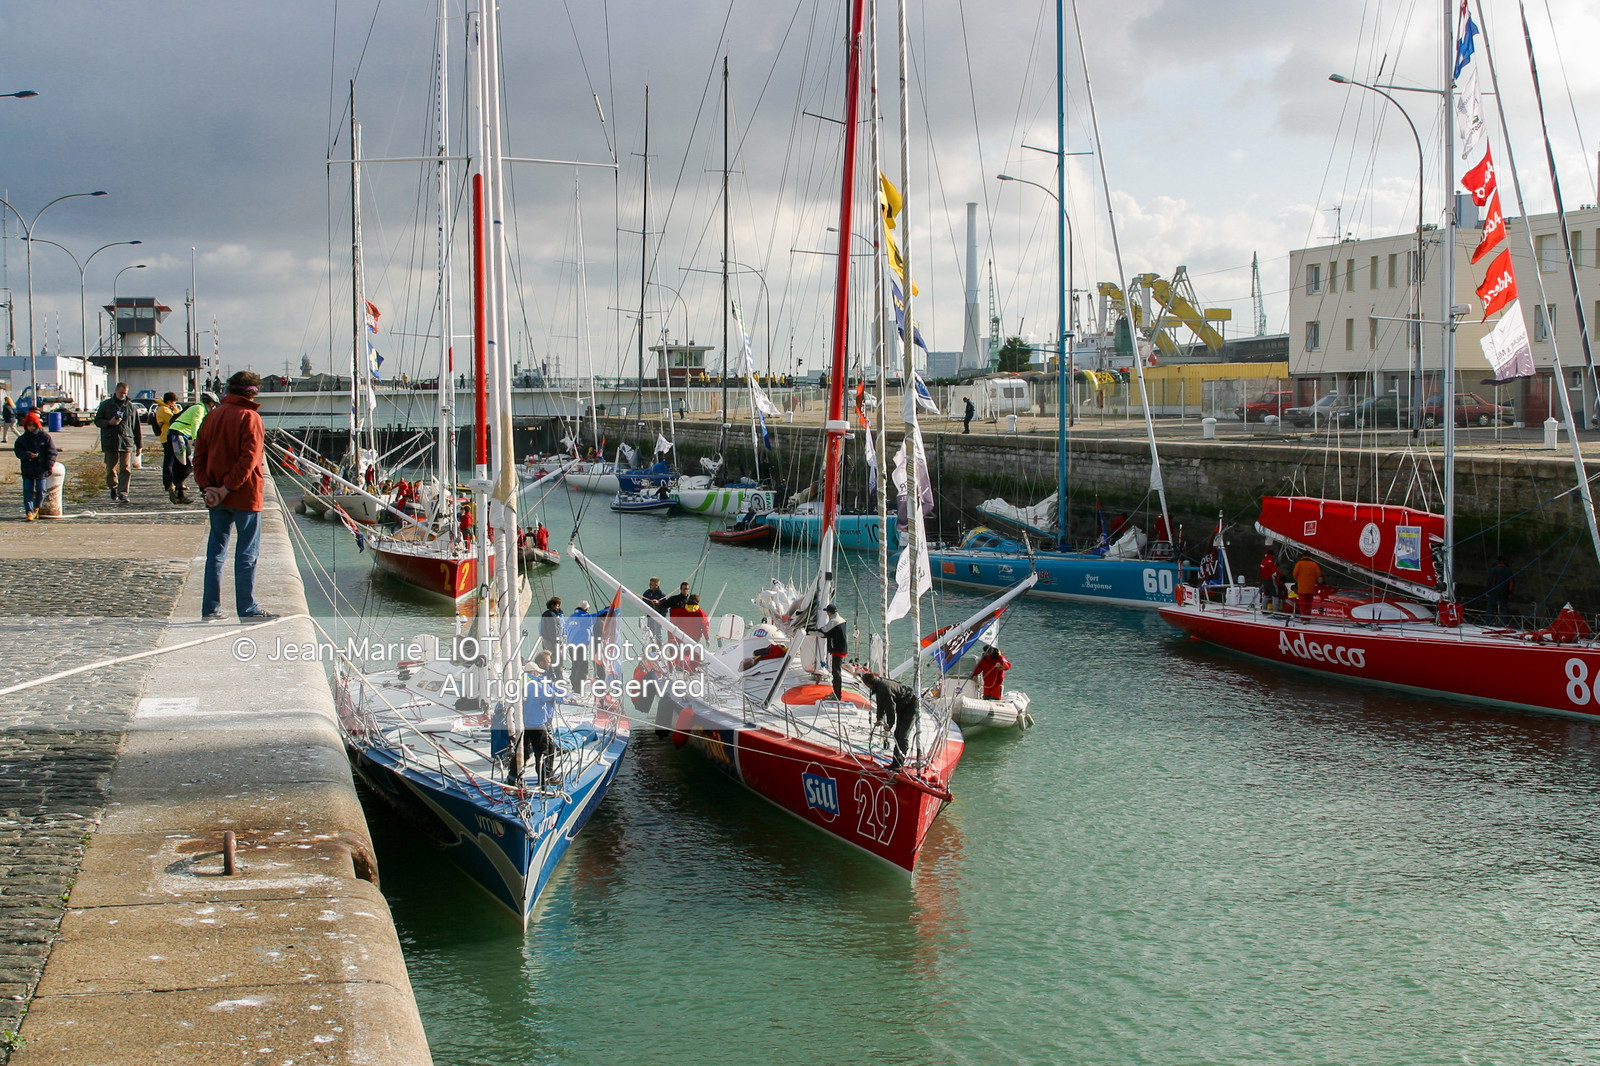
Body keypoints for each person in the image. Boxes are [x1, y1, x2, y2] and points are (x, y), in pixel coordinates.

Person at [195, 371, 273, 621]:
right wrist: (228, 487)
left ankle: (211, 608)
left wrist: (209, 488)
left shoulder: (212, 416)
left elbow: (199, 456)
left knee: (216, 553)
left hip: (216, 497)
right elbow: (249, 459)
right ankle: (247, 608)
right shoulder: (251, 417)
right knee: (247, 553)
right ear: (254, 392)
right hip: (245, 496)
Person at [93, 381, 143, 504]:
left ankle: (123, 493)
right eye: (121, 393)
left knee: (126, 468)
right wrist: (108, 423)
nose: (123, 395)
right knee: (110, 468)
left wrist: (139, 445)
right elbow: (97, 421)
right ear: (115, 391)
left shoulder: (131, 406)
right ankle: (113, 487)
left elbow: (136, 426)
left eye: (125, 393)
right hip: (110, 440)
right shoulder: (105, 405)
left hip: (127, 440)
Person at [859, 669, 917, 773]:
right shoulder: (879, 685)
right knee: (897, 734)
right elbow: (880, 704)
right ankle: (895, 763)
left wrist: (889, 725)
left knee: (902, 736)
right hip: (903, 706)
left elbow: (891, 708)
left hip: (910, 706)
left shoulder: (883, 688)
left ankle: (899, 763)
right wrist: (880, 719)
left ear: (867, 684)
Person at [166, 391, 217, 505]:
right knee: (188, 465)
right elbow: (196, 424)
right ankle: (174, 485)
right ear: (209, 402)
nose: (213, 407)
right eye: (213, 404)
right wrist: (196, 439)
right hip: (177, 434)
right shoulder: (200, 408)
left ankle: (179, 496)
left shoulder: (202, 409)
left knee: (182, 465)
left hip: (180, 435)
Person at [521, 650, 559, 788]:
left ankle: (515, 778)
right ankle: (545, 779)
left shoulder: (521, 683)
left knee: (523, 752)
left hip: (524, 723)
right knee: (545, 751)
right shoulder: (536, 685)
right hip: (538, 723)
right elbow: (549, 696)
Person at [13, 412, 57, 521]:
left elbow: (52, 452)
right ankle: (29, 511)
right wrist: (28, 455)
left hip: (41, 469)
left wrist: (48, 466)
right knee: (28, 490)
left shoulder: (45, 437)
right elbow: (18, 452)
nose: (31, 427)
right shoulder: (22, 439)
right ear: (25, 426)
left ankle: (37, 508)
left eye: (33, 425)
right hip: (28, 469)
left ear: (37, 425)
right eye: (29, 425)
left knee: (40, 490)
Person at [152, 391, 181, 500]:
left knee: (175, 461)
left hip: (172, 437)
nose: (174, 404)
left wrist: (174, 409)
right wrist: (175, 411)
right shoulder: (163, 409)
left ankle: (175, 481)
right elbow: (174, 420)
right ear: (169, 401)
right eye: (173, 402)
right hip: (166, 438)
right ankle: (168, 483)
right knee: (169, 461)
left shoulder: (168, 408)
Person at [565, 600, 597, 690]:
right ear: (586, 608)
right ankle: (579, 687)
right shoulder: (585, 617)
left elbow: (565, 628)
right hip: (580, 646)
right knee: (583, 667)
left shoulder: (571, 617)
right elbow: (597, 616)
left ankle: (574, 685)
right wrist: (609, 609)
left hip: (571, 645)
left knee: (575, 665)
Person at [820, 604, 848, 700]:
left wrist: (808, 631)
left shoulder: (834, 621)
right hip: (842, 648)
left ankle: (837, 695)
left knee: (836, 673)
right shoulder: (841, 619)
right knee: (836, 671)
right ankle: (836, 693)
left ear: (829, 613)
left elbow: (824, 631)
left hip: (837, 650)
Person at [539, 597, 564, 682]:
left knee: (549, 659)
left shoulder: (547, 614)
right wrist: (556, 642)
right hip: (551, 641)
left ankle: (550, 676)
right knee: (557, 660)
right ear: (553, 606)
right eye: (558, 605)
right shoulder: (551, 615)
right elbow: (553, 630)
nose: (559, 607)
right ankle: (559, 678)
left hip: (546, 640)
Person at [1486, 555, 1514, 625]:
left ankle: (1489, 622)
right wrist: (1510, 592)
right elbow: (1511, 582)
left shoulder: (1494, 569)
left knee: (1490, 608)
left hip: (1494, 592)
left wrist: (1488, 591)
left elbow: (1491, 581)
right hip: (1505, 593)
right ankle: (1503, 623)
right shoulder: (1509, 570)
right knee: (1504, 609)